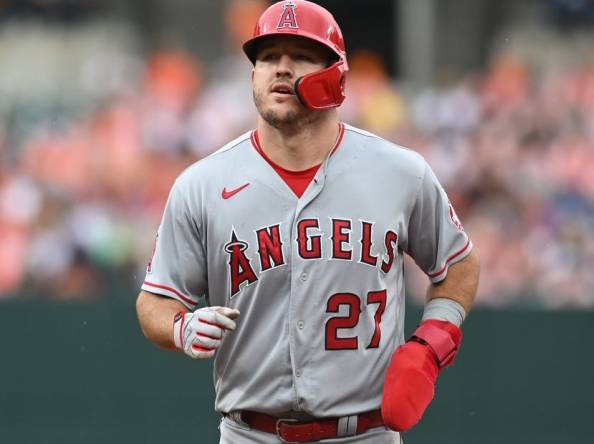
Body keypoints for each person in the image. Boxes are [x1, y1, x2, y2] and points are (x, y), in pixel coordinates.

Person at [135, 1, 480, 442]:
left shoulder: (400, 172)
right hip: (250, 432)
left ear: (336, 75)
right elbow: (154, 304)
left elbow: (459, 266)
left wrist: (433, 341)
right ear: (252, 75)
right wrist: (181, 328)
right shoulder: (202, 184)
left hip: (364, 434)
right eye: (267, 57)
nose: (281, 68)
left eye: (300, 55)